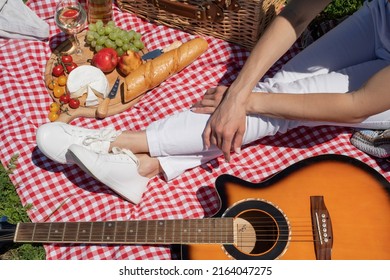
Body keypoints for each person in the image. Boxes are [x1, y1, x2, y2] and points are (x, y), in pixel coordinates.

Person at [36, 0, 390, 204]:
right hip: (380, 22)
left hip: (379, 100)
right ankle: (143, 168)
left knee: (277, 109)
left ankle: (120, 141)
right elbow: (297, 14)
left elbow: (359, 103)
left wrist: (250, 102)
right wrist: (238, 94)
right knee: (271, 90)